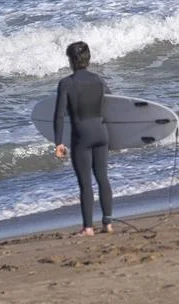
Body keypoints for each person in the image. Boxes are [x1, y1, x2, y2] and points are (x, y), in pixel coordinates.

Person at [53, 41, 113, 236]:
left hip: (82, 137)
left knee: (86, 183)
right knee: (103, 178)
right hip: (102, 133)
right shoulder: (99, 80)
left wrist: (58, 142)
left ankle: (88, 228)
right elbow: (113, 105)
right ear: (88, 59)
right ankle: (108, 223)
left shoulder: (66, 83)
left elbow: (59, 115)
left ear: (71, 60)